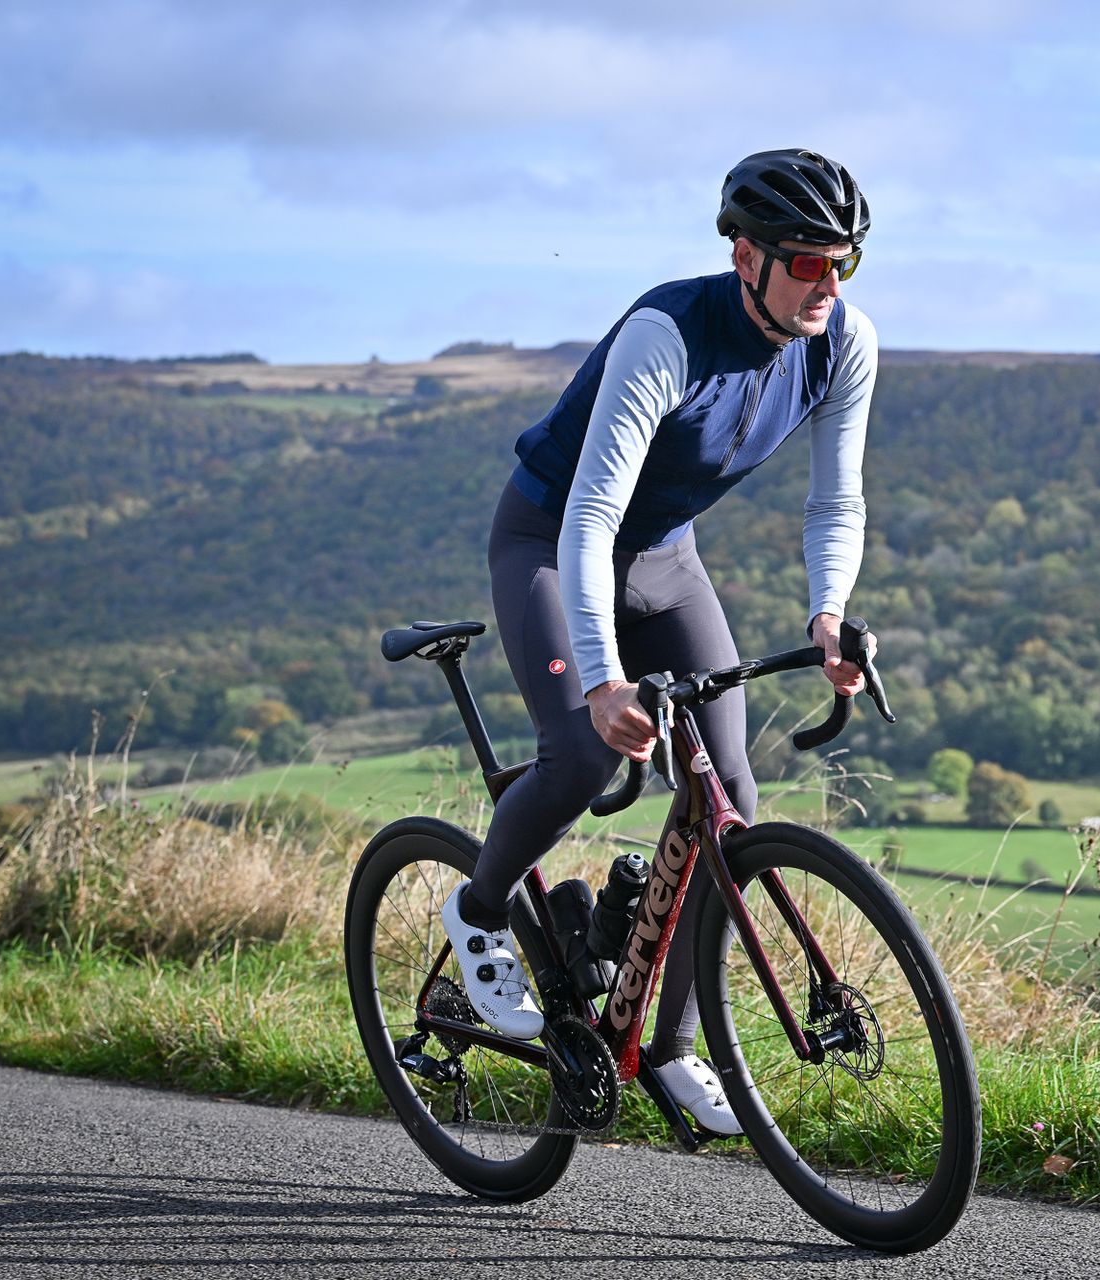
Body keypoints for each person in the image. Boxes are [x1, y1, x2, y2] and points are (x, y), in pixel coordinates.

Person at [437, 149, 876, 1135]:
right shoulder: (666, 334)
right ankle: (479, 908)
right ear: (745, 253)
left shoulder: (844, 340)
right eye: (806, 262)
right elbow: (590, 515)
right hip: (550, 543)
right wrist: (601, 678)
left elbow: (835, 494)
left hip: (667, 560)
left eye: (843, 261)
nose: (828, 284)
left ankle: (668, 1043)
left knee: (731, 799)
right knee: (587, 752)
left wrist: (827, 614)